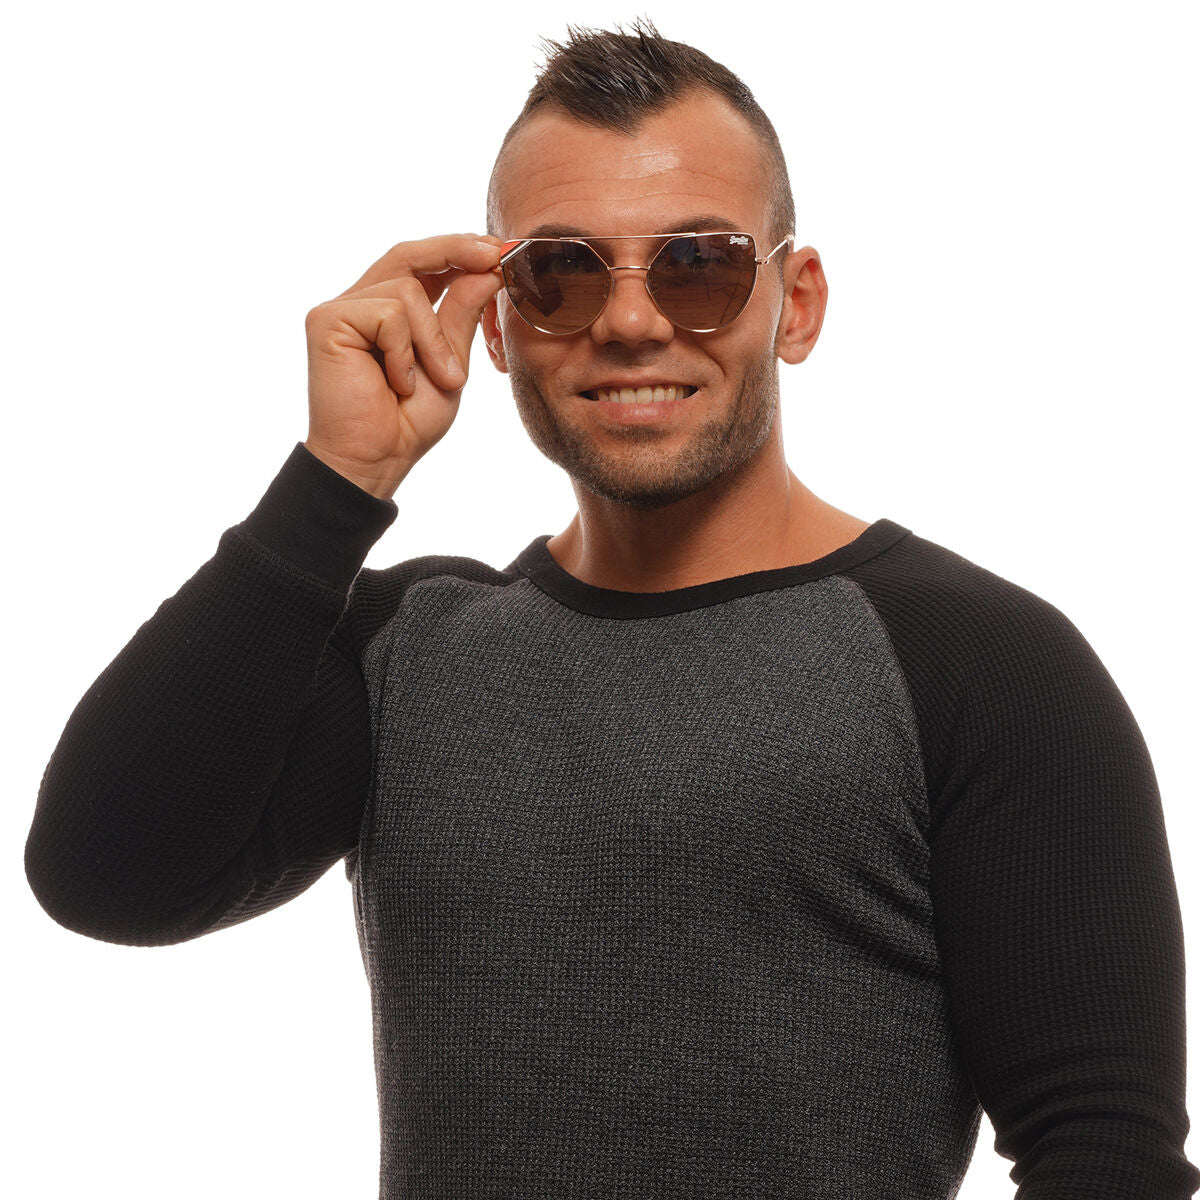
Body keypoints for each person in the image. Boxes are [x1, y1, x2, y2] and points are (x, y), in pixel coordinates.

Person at [24, 20, 1197, 1200]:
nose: (630, 323)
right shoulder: (406, 651)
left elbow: (1103, 1149)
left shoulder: (981, 660)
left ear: (795, 304)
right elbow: (105, 875)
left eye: (698, 265)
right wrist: (337, 482)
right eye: (562, 272)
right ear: (497, 323)